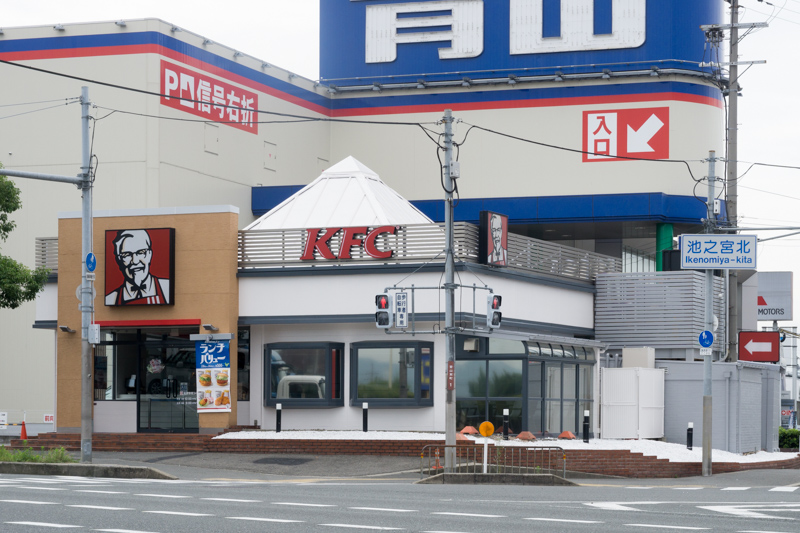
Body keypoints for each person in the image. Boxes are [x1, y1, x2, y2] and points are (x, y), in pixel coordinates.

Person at [105, 229, 170, 305]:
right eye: (127, 254)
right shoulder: (111, 299)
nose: (135, 261)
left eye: (141, 252)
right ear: (119, 259)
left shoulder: (167, 288)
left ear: (149, 255)